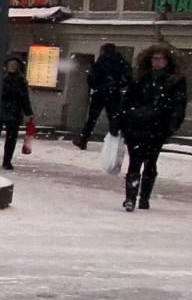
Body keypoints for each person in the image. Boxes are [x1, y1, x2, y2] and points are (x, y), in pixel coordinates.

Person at [122, 45, 187, 210]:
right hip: (136, 126)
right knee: (134, 163)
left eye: (160, 59)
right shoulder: (140, 78)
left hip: (157, 127)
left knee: (150, 163)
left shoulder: (174, 81)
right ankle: (130, 197)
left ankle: (144, 197)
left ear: (167, 61)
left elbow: (178, 106)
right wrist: (124, 120)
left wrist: (171, 127)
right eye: (154, 59)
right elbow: (128, 100)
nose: (156, 62)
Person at [80, 43, 133, 150]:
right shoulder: (122, 62)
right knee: (114, 118)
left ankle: (83, 139)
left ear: (103, 51)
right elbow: (128, 78)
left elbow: (91, 79)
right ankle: (115, 141)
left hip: (100, 93)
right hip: (114, 93)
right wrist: (117, 85)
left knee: (92, 118)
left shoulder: (100, 62)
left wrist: (98, 86)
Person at [0, 53, 32, 172]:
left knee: (11, 138)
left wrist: (28, 112)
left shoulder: (20, 81)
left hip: (14, 112)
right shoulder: (1, 78)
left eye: (15, 65)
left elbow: (24, 98)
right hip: (0, 111)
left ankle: (7, 161)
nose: (12, 67)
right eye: (11, 64)